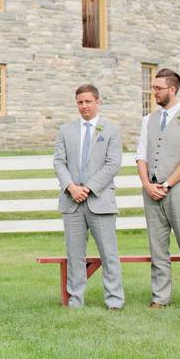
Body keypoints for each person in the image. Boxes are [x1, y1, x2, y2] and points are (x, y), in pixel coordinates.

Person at [52, 84, 124, 309]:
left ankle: (114, 300)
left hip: (100, 201)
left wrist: (89, 188)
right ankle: (76, 300)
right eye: (80, 102)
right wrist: (71, 187)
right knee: (75, 255)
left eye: (88, 102)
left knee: (109, 254)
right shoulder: (66, 130)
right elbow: (59, 162)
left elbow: (113, 164)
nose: (84, 106)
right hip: (71, 201)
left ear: (97, 102)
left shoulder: (110, 130)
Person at [136, 68, 180, 309]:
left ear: (172, 89)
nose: (153, 92)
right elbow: (141, 156)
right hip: (151, 191)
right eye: (153, 88)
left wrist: (166, 185)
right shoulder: (148, 120)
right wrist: (147, 185)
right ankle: (160, 297)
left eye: (158, 88)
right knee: (157, 247)